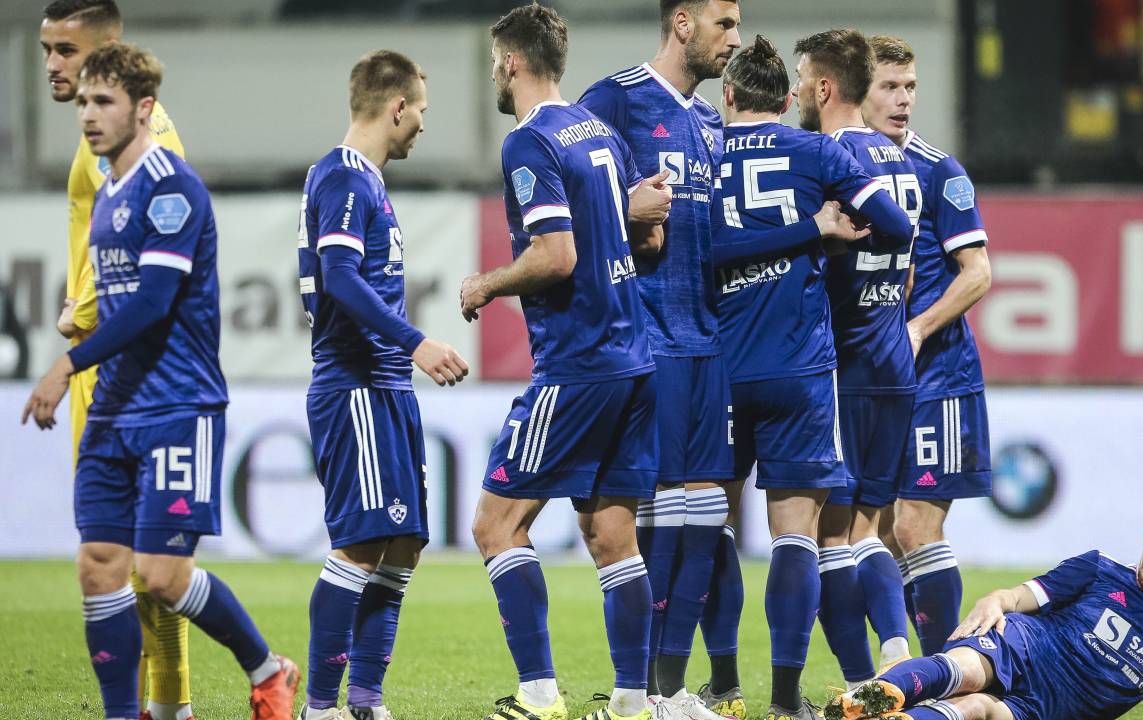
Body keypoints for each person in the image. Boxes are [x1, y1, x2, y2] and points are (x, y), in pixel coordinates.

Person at [21, 41, 296, 720]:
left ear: (143, 108)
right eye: (84, 101)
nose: (88, 114)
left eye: (104, 102)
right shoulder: (106, 192)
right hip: (114, 407)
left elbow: (151, 302)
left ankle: (268, 670)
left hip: (177, 404)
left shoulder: (171, 186)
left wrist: (65, 363)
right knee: (98, 565)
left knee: (163, 576)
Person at [460, 5, 666, 720]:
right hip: (634, 356)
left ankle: (540, 695)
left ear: (513, 61)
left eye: (496, 62)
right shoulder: (597, 128)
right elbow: (652, 230)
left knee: (495, 525)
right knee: (613, 536)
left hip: (579, 363)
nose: (495, 73)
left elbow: (555, 256)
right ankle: (633, 702)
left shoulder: (530, 141)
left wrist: (485, 284)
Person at [711, 35, 913, 720]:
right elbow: (894, 227)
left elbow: (701, 253)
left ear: (728, 94)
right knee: (800, 536)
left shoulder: (702, 151)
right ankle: (784, 699)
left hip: (722, 368)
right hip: (803, 368)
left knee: (713, 527)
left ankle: (721, 687)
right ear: (787, 96)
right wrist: (821, 232)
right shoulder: (821, 154)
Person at [296, 49, 469, 720]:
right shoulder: (344, 177)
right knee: (362, 545)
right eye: (420, 109)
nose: (423, 122)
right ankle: (320, 708)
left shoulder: (363, 181)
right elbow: (339, 279)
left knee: (401, 548)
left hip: (385, 386)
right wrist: (416, 342)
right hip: (357, 386)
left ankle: (365, 703)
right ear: (397, 107)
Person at [577, 4, 740, 712]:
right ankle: (639, 685)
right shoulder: (615, 99)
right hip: (649, 340)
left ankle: (670, 688)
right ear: (682, 23)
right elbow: (562, 200)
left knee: (706, 517)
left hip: (710, 343)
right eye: (723, 23)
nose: (734, 38)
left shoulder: (708, 121)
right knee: (651, 519)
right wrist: (624, 209)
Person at [40, 2, 192, 717]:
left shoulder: (144, 137)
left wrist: (84, 314)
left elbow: (157, 256)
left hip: (124, 368)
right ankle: (159, 707)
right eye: (46, 49)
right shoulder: (98, 134)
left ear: (108, 48)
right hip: (102, 361)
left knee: (141, 558)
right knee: (119, 559)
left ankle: (187, 696)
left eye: (66, 50)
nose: (52, 64)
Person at [829, 500, 1143, 720]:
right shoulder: (1100, 568)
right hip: (1026, 647)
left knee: (976, 710)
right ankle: (854, 704)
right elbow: (1018, 597)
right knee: (967, 670)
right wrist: (995, 600)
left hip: (1052, 709)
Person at [791, 28, 921, 686]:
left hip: (844, 365)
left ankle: (859, 685)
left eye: (799, 79)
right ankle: (897, 653)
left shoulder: (829, 158)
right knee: (870, 529)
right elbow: (907, 272)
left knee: (828, 537)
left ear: (822, 87)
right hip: (895, 359)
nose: (793, 91)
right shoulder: (899, 159)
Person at [861, 35, 992, 655]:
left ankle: (946, 674)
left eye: (910, 87)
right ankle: (907, 671)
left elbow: (978, 272)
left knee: (915, 527)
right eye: (889, 86)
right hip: (872, 380)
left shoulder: (939, 170)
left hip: (938, 376)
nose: (903, 99)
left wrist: (917, 329)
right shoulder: (840, 163)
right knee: (877, 534)